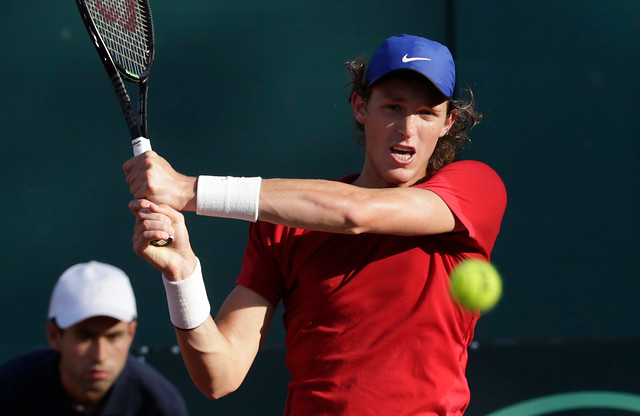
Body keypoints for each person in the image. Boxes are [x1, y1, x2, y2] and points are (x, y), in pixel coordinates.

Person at [123, 34, 507, 415]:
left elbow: (355, 214)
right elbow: (219, 375)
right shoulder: (284, 227)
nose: (408, 128)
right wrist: (182, 275)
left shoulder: (476, 189)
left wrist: (188, 190)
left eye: (426, 113)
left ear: (447, 122)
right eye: (392, 107)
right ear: (361, 107)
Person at [0, 261, 190, 416]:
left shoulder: (159, 404)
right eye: (85, 337)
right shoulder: (8, 392)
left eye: (113, 336)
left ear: (130, 334)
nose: (100, 355)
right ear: (54, 336)